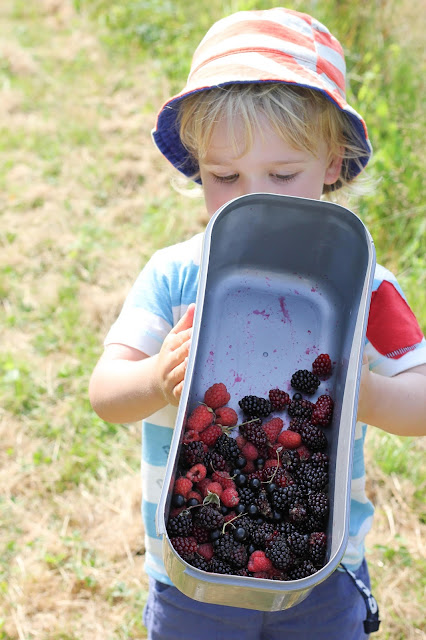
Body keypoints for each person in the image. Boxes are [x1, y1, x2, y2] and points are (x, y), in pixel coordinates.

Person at [89, 7, 426, 639]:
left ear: (332, 162)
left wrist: (366, 393)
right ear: (196, 166)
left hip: (319, 573)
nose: (251, 197)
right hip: (193, 565)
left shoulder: (364, 286)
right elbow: (105, 393)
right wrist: (158, 379)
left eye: (282, 174)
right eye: (224, 176)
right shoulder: (174, 275)